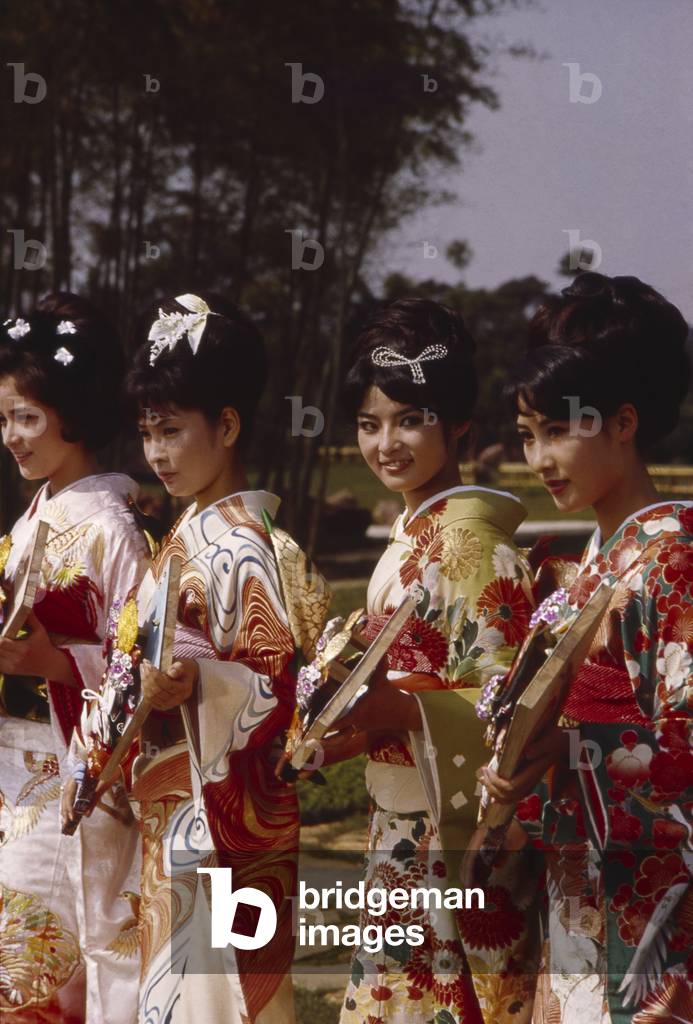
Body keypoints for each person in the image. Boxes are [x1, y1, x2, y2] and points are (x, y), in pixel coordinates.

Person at [73, 293, 329, 1024]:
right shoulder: (186, 536)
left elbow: (280, 693)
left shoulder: (245, 546)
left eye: (172, 430)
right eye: (147, 431)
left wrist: (194, 682)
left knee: (216, 1004)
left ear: (226, 425)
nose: (155, 452)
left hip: (220, 823)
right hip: (176, 813)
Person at [316, 298, 543, 1024]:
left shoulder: (470, 543)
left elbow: (509, 707)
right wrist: (358, 727)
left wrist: (396, 708)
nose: (387, 443)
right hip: (402, 822)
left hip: (450, 840)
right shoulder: (413, 532)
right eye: (369, 422)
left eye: (411, 419)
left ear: (458, 426)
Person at [480, 272, 692, 1023]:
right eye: (527, 434)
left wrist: (562, 749)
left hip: (648, 898)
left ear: (624, 421)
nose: (539, 457)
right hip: (581, 879)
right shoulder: (597, 559)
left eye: (559, 431)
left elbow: (683, 744)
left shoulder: (670, 556)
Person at [0, 293, 150, 1023]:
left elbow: (143, 662)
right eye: (4, 419)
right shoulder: (36, 518)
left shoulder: (109, 524)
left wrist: (55, 664)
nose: (12, 437)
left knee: (47, 964)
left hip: (72, 772)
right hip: (15, 770)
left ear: (74, 412)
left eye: (27, 417)